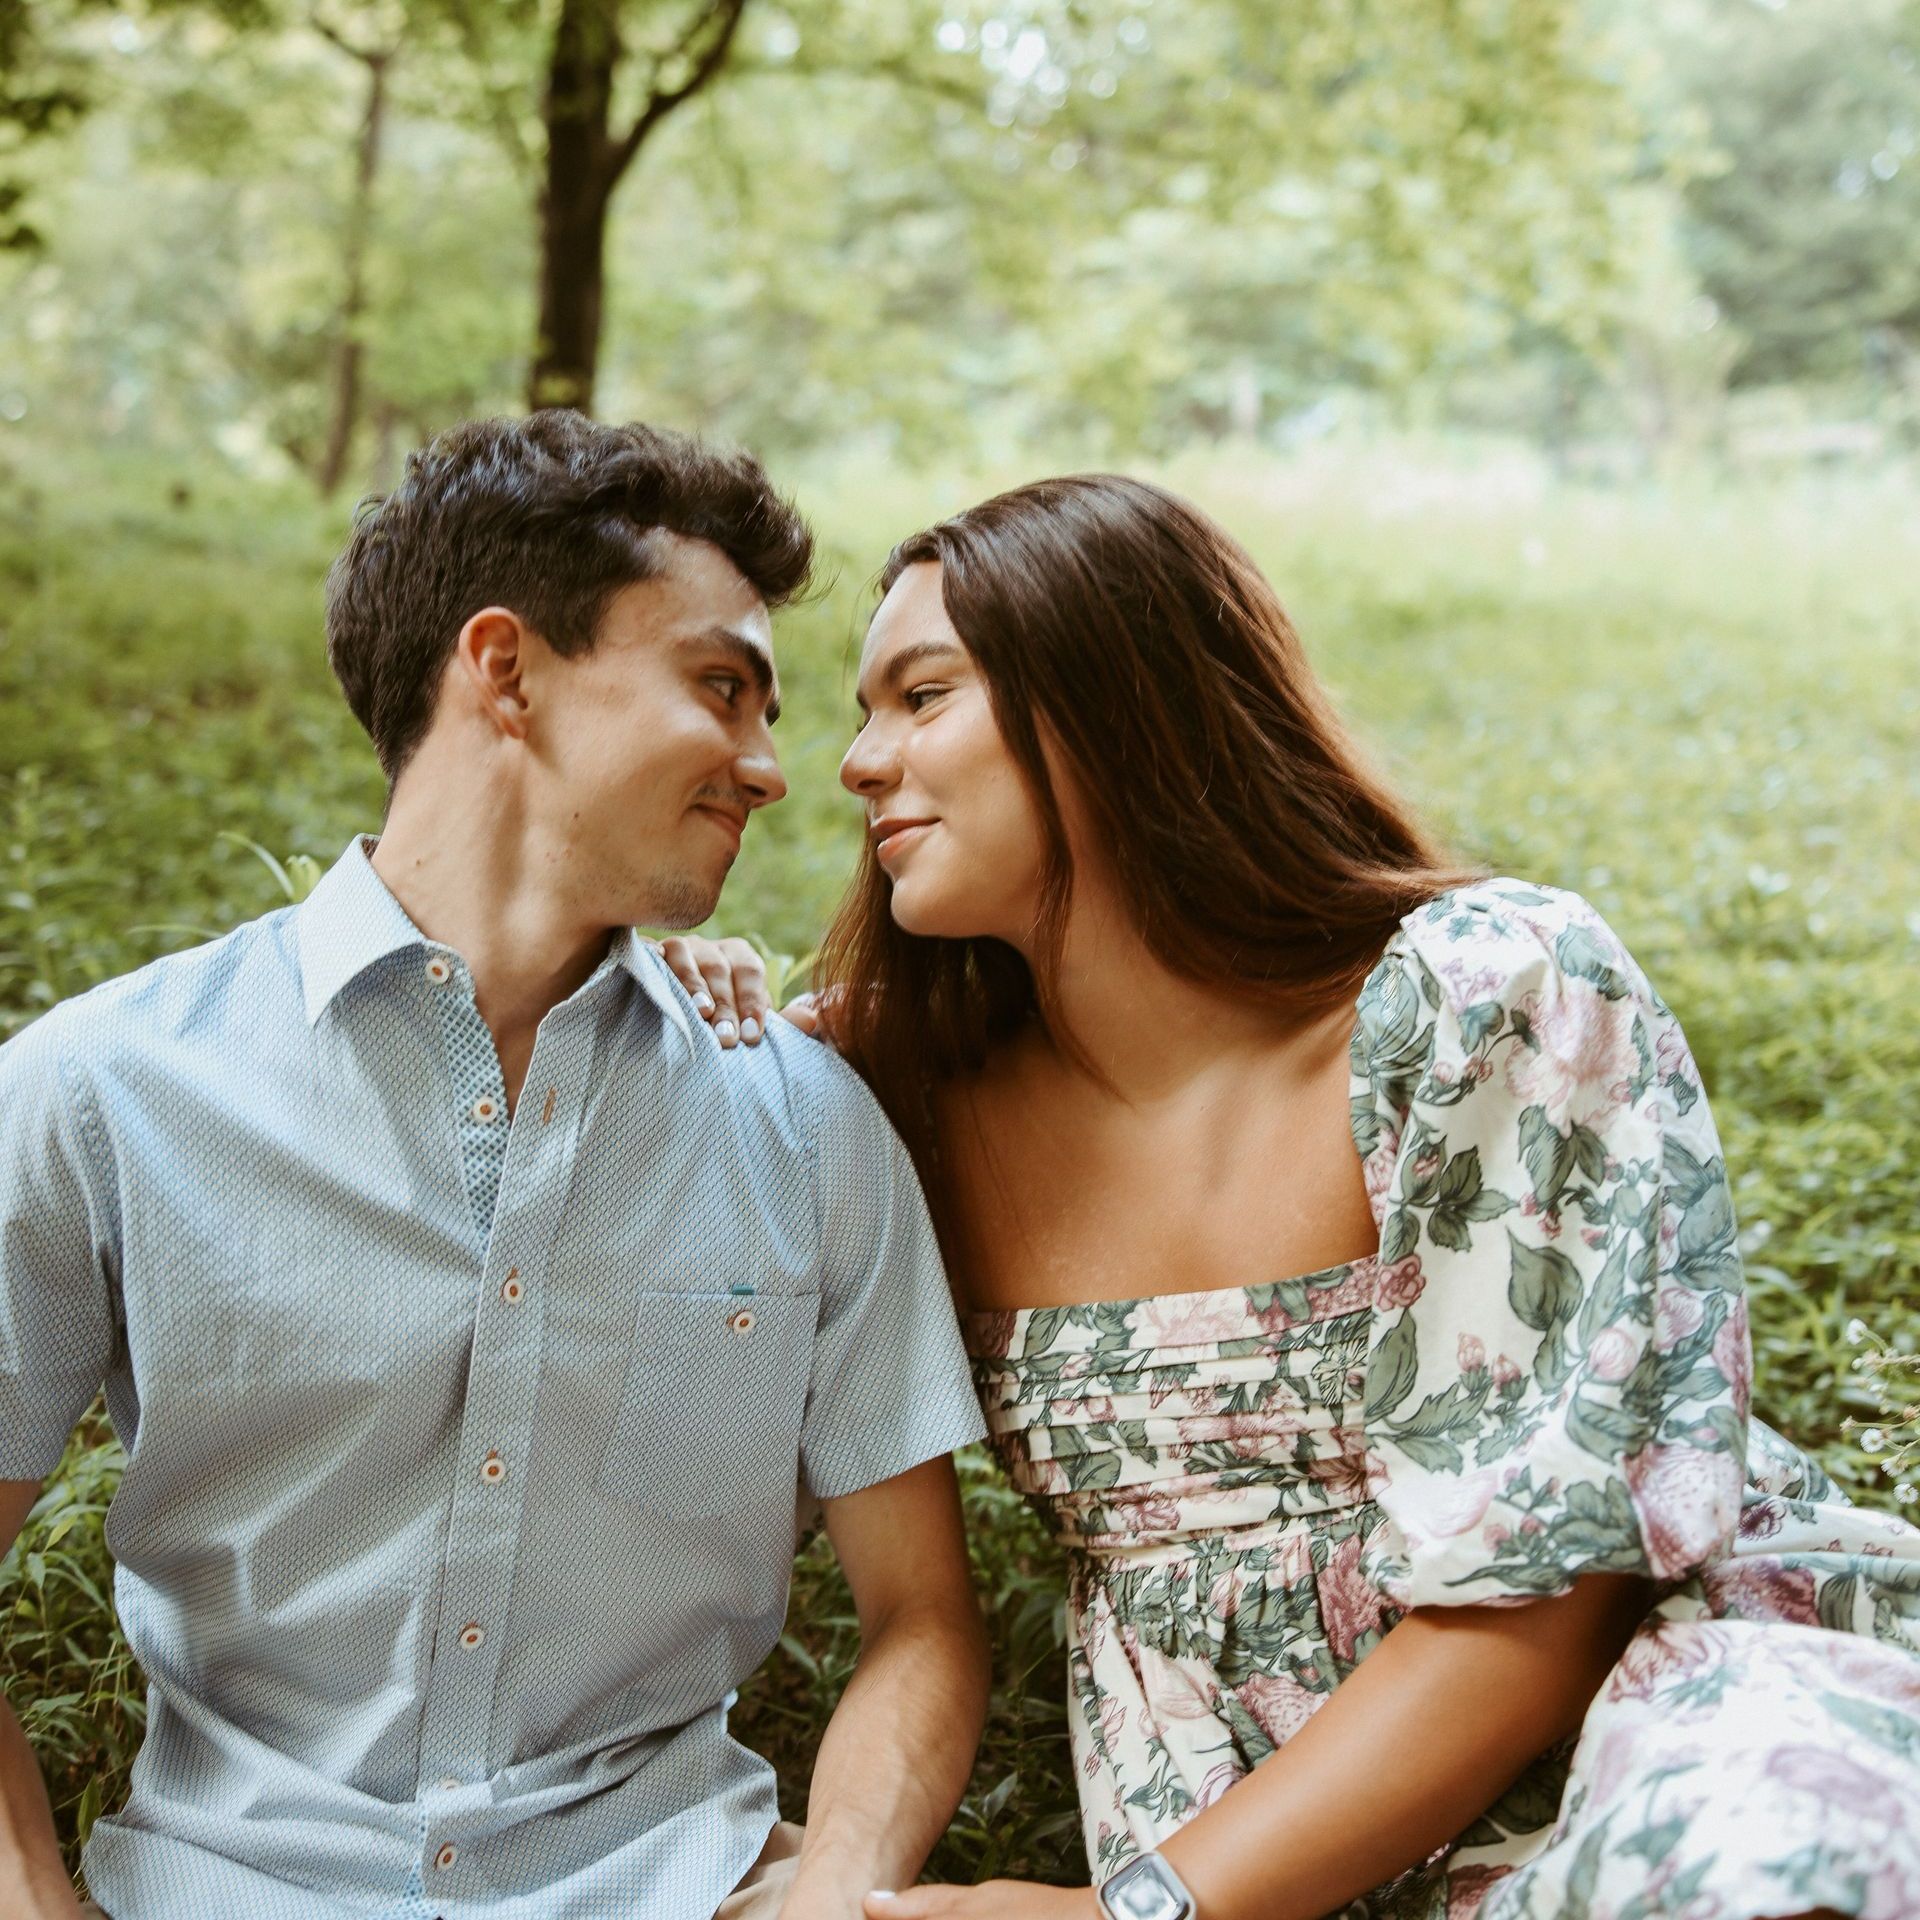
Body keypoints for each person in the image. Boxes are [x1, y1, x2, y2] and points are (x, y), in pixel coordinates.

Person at [666, 473, 1920, 1920]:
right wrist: (696, 985)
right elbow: (636, 1113)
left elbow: (1544, 1599)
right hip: (1235, 1817)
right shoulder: (891, 1091)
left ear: (1108, 701)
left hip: (1648, 1719)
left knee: (1747, 1878)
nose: (856, 762)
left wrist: (1126, 1915)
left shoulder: (1485, 996)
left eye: (921, 695)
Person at [0, 412, 991, 1920]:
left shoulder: (801, 1123)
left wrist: (833, 1896)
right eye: (722, 686)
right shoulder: (101, 1094)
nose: (773, 767)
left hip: (682, 1885)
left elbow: (923, 1619)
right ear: (507, 669)